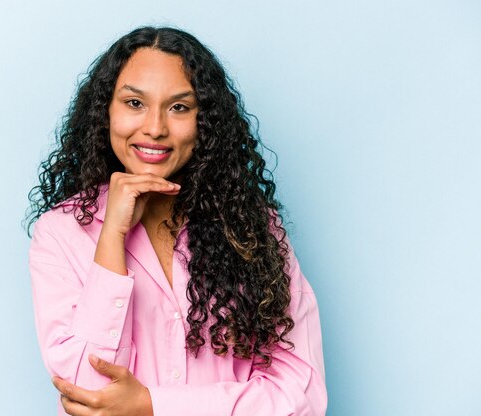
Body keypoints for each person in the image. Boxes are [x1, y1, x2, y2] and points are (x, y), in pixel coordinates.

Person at [26, 26, 327, 416]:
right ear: (105, 112)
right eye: (134, 103)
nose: (154, 127)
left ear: (206, 123)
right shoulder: (61, 234)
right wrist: (112, 238)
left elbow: (300, 397)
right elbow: (89, 396)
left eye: (179, 107)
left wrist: (153, 406)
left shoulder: (253, 229)